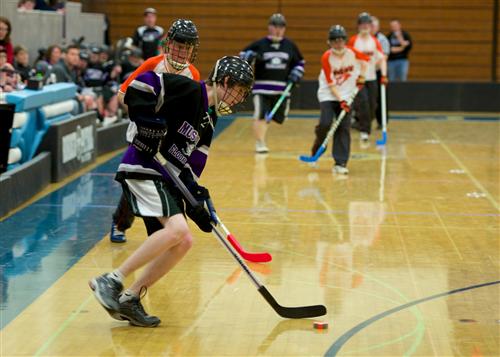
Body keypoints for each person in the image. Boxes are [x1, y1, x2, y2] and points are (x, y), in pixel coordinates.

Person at [89, 56, 254, 327]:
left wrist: (199, 199)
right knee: (178, 230)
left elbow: (189, 167)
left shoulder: (209, 122)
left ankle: (130, 297)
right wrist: (147, 123)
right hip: (142, 166)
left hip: (164, 177)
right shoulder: (190, 90)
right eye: (239, 90)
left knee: (184, 241)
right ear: (225, 82)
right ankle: (112, 280)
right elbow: (140, 87)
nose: (239, 99)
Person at [110, 19, 200, 244]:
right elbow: (123, 94)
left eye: (187, 47)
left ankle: (168, 229)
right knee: (137, 177)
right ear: (169, 44)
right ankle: (121, 223)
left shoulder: (193, 74)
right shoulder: (152, 64)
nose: (182, 52)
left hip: (170, 138)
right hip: (142, 134)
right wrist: (148, 117)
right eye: (178, 46)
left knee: (165, 181)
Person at [239, 13, 305, 153]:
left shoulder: (290, 45)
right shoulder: (260, 44)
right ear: (269, 27)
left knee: (280, 118)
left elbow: (300, 63)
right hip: (261, 89)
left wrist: (296, 73)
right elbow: (242, 55)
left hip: (282, 89)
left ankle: (263, 130)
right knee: (260, 115)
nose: (278, 30)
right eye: (275, 26)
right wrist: (250, 57)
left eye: (281, 27)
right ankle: (260, 143)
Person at [313, 25, 368, 175]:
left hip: (347, 94)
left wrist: (362, 77)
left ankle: (340, 162)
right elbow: (331, 84)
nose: (338, 43)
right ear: (329, 42)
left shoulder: (352, 52)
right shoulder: (326, 57)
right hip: (328, 94)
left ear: (345, 40)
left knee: (343, 127)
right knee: (325, 123)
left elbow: (366, 60)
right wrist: (340, 100)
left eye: (341, 40)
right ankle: (318, 145)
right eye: (335, 40)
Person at [347, 12, 387, 142]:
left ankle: (362, 124)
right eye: (362, 24)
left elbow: (382, 59)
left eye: (367, 24)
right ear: (358, 26)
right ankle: (365, 130)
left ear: (370, 26)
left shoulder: (374, 41)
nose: (365, 27)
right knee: (363, 103)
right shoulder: (354, 40)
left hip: (372, 78)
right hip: (358, 79)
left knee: (372, 105)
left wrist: (384, 75)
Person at [371, 16, 390, 130]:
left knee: (381, 97)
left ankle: (382, 121)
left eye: (373, 26)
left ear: (378, 27)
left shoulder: (382, 39)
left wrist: (373, 67)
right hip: (365, 72)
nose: (371, 28)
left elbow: (385, 57)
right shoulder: (363, 39)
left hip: (378, 72)